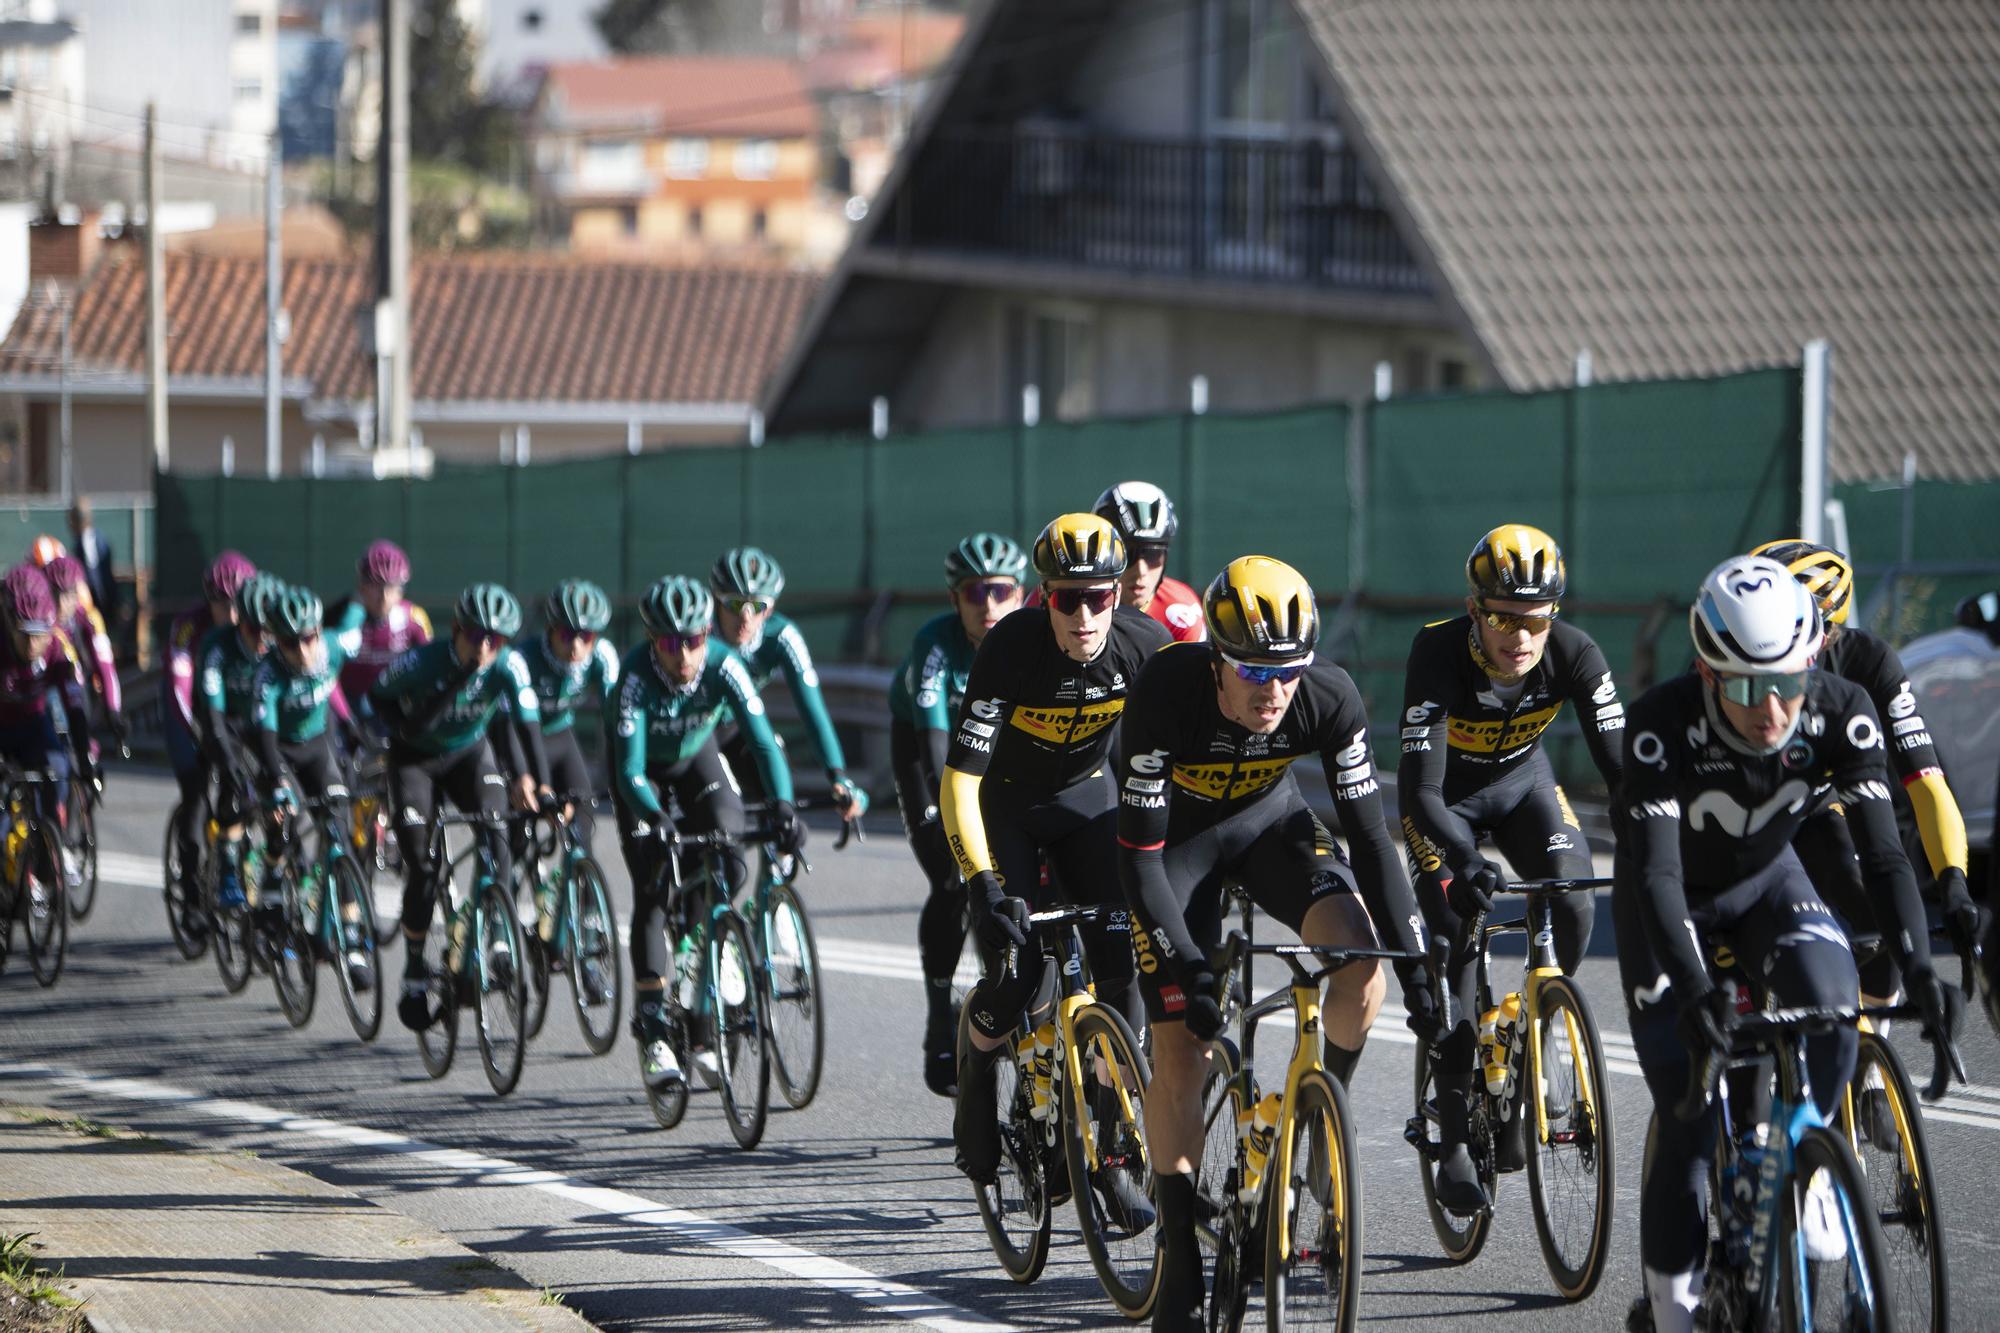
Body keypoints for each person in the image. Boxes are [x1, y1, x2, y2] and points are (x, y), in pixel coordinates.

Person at [1618, 555, 1947, 1333]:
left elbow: (1886, 857)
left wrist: (1922, 965)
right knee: (1692, 1121)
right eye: (1741, 687)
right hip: (1672, 905)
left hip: (1770, 882)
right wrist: (1696, 992)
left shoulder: (1845, 706)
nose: (1769, 710)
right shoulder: (1660, 726)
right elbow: (1659, 881)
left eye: (1786, 685)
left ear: (1812, 660)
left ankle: (1813, 1171)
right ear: (1704, 673)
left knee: (1833, 1005)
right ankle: (1673, 1310)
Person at [1117, 555, 1425, 1331]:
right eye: (1252, 668)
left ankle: (1321, 1119)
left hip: (1269, 826)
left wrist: (1420, 971)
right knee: (1181, 1041)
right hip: (1174, 847)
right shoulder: (1165, 690)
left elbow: (1373, 842)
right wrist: (1188, 964)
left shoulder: (1330, 696)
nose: (1272, 688)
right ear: (1216, 657)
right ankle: (1180, 1245)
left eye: (1288, 668)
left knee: (1362, 966)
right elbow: (1139, 859)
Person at [1398, 523, 1625, 1213]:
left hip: (1524, 787)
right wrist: (1464, 859)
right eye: (1502, 616)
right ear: (1475, 609)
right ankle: (1459, 1122)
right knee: (1458, 931)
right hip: (1445, 807)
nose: (1520, 636)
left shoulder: (1577, 653)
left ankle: (1530, 1030)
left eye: (1535, 619)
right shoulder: (1437, 652)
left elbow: (1626, 775)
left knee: (1577, 902)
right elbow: (1419, 792)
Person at [944, 512, 1169, 1184]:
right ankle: (978, 1069)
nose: (1083, 614)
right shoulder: (1010, 649)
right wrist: (982, 882)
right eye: (1066, 598)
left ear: (1118, 591)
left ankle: (1117, 1145)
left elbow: (1170, 767)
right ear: (1044, 595)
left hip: (1087, 799)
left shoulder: (1143, 645)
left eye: (1098, 595)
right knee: (1015, 973)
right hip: (1007, 803)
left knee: (1123, 961)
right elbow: (960, 780)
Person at [1752, 540, 1980, 1008]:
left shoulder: (1869, 663)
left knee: (1871, 892)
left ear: (1827, 630)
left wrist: (1953, 881)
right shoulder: (1736, 657)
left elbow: (1926, 781)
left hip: (1821, 802)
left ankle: (1872, 1054)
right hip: (1746, 809)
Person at [608, 575, 803, 1091]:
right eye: (671, 644)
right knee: (652, 889)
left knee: (730, 856)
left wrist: (783, 803)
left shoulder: (723, 663)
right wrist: (655, 816)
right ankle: (652, 1030)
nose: (684, 654)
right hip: (641, 777)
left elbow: (763, 744)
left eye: (693, 640)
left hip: (697, 759)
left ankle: (702, 969)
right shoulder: (631, 680)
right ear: (654, 642)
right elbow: (627, 771)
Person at [368, 583, 547, 1032]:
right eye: (475, 635)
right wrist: (403, 731)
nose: (485, 647)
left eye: (496, 640)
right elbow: (379, 696)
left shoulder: (509, 665)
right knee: (422, 868)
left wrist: (532, 779)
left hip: (469, 754)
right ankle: (412, 968)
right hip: (416, 761)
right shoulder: (425, 661)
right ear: (456, 630)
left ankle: (499, 938)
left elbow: (527, 725)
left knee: (498, 832)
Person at [886, 531, 1029, 1095]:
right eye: (974, 592)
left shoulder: (1031, 638)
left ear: (1021, 594)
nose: (988, 604)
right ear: (955, 599)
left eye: (1000, 590)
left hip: (996, 755)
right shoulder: (936, 646)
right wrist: (959, 820)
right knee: (951, 875)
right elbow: (934, 747)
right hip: (929, 754)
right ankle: (939, 1014)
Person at [249, 584, 369, 988]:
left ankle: (351, 942)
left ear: (320, 631)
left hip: (317, 748)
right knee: (281, 827)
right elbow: (264, 739)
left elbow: (357, 616)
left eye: (309, 639)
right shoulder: (267, 675)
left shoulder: (334, 646)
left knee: (340, 837)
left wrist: (351, 727)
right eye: (290, 643)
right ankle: (269, 895)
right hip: (277, 752)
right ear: (275, 641)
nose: (302, 651)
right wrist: (279, 784)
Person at [708, 546, 867, 821]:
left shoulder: (781, 636)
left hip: (736, 728)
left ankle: (775, 859)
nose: (746, 617)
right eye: (735, 604)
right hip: (694, 733)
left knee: (776, 790)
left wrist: (837, 776)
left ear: (770, 609)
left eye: (757, 606)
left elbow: (813, 711)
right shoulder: (697, 638)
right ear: (716, 601)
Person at [163, 551, 257, 933]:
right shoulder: (190, 626)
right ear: (209, 601)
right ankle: (191, 894)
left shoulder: (257, 622)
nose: (232, 616)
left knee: (248, 790)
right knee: (196, 797)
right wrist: (194, 731)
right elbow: (179, 684)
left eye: (238, 605)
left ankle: (238, 869)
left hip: (232, 716)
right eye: (222, 605)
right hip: (190, 714)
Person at [500, 579, 619, 851]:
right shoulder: (523, 659)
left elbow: (617, 719)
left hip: (559, 737)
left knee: (584, 813)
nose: (576, 646)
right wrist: (521, 776)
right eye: (566, 635)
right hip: (518, 740)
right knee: (515, 837)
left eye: (586, 637)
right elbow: (506, 726)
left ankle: (581, 883)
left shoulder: (602, 656)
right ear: (550, 630)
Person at [194, 572, 286, 916]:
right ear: (240, 624)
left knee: (278, 798)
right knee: (234, 781)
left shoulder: (279, 647)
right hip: (222, 721)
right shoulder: (217, 647)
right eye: (253, 631)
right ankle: (228, 872)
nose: (262, 640)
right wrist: (228, 760)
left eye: (269, 632)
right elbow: (214, 717)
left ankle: (274, 876)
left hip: (260, 725)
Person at [0, 567, 91, 826]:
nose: (31, 645)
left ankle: (46, 849)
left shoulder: (59, 645)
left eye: (39, 636)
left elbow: (75, 705)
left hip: (32, 724)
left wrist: (84, 757)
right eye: (24, 635)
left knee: (59, 772)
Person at [1093, 481, 1205, 642]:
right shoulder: (1059, 598)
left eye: (1153, 555)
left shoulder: (1182, 613)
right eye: (1127, 554)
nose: (1141, 570)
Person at [332, 540, 432, 709]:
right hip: (349, 704)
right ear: (361, 585)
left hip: (394, 703)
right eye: (376, 586)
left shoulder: (415, 618)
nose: (384, 597)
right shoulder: (339, 615)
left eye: (392, 587)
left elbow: (430, 667)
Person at [45, 555, 126, 752]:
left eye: (70, 594)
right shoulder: (40, 619)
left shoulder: (88, 617)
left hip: (76, 690)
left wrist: (113, 711)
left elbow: (106, 667)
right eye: (57, 594)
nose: (63, 604)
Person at [66, 499, 117, 630]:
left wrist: (99, 609)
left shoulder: (87, 542)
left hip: (97, 610)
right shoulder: (96, 538)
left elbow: (95, 579)